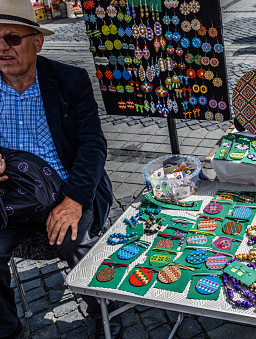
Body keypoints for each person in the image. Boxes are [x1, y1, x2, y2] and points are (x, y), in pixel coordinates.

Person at [0, 1, 117, 338]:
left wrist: (74, 200)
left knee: (76, 242)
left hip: (61, 189)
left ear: (37, 41)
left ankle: (104, 311)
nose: (3, 48)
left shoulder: (68, 80)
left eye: (12, 38)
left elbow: (93, 145)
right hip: (7, 195)